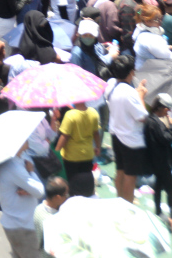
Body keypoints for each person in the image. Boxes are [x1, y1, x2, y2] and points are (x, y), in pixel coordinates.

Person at [106, 55, 149, 202]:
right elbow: (142, 117)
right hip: (130, 138)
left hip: (116, 135)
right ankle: (127, 205)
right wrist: (141, 96)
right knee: (130, 176)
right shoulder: (131, 93)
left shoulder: (111, 86)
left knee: (120, 172)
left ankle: (120, 200)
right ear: (131, 72)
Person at [55, 100, 100, 198]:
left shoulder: (70, 115)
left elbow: (64, 136)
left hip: (71, 156)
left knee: (72, 183)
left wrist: (56, 151)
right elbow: (96, 133)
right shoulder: (94, 113)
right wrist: (98, 147)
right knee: (86, 181)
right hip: (88, 154)